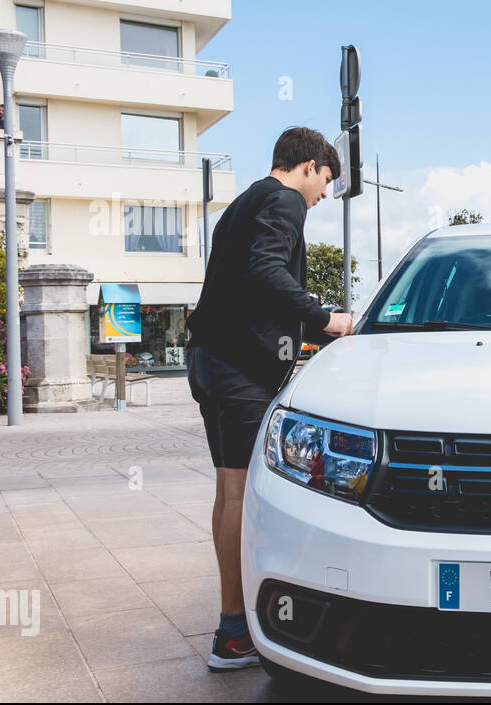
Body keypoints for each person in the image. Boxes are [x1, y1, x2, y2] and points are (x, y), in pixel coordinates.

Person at [185, 127, 354, 671]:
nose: (324, 194)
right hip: (239, 372)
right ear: (308, 166)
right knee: (242, 495)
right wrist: (322, 317)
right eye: (325, 180)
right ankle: (235, 632)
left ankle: (233, 625)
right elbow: (265, 270)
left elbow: (244, 282)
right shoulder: (283, 200)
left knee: (228, 489)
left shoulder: (243, 203)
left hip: (210, 361)